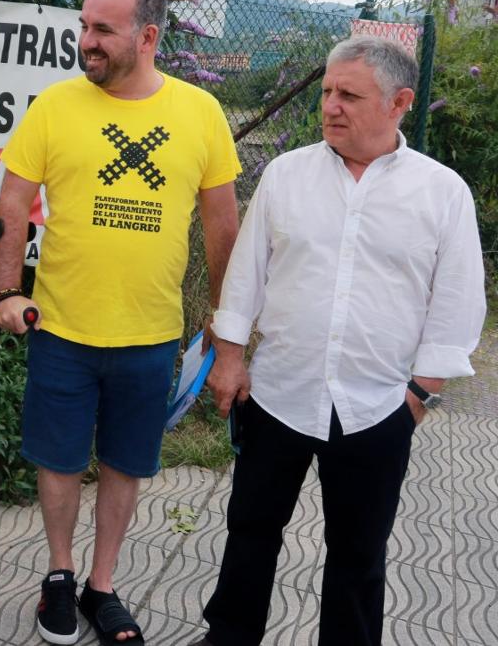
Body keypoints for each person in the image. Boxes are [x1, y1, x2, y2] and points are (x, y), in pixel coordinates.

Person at [190, 35, 485, 646]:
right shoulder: (286, 174)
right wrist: (230, 357)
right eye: (327, 91)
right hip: (276, 395)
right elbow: (245, 276)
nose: (331, 106)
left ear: (400, 102)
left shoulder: (442, 192)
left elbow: (457, 303)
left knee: (357, 556)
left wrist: (418, 396)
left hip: (377, 406)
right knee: (249, 533)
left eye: (349, 95)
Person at [0, 0, 241, 646]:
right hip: (62, 325)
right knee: (60, 459)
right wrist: (8, 291)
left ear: (149, 35)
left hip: (150, 332)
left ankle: (103, 587)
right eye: (84, 25)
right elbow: (13, 201)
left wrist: (226, 319)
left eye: (103, 29)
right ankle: (60, 576)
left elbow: (222, 224)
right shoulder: (55, 106)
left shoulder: (199, 112)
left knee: (128, 463)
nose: (87, 40)